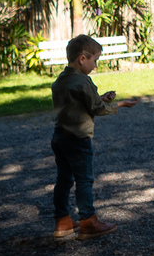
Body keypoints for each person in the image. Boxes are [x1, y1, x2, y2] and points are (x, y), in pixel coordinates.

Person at [50, 34, 138, 241]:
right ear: (82, 59)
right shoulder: (84, 81)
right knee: (84, 179)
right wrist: (121, 104)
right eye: (94, 61)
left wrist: (100, 97)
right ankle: (88, 222)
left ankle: (62, 223)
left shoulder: (60, 81)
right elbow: (97, 109)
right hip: (78, 139)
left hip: (59, 137)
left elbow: (77, 103)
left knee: (63, 179)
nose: (95, 66)